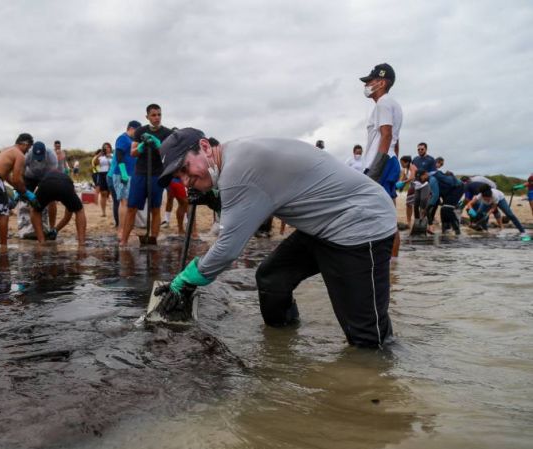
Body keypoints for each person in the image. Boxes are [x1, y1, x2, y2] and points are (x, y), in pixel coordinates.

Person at [156, 129, 398, 348]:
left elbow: (228, 249)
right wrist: (213, 198)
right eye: (179, 176)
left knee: (367, 337)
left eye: (185, 168)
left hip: (361, 224)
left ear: (205, 147)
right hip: (324, 225)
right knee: (273, 280)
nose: (185, 181)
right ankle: (283, 346)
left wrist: (185, 281)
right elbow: (256, 200)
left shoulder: (238, 170)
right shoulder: (234, 155)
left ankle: (377, 383)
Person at [361, 63, 402, 257]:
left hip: (381, 163)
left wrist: (376, 169)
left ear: (382, 82)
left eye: (371, 81)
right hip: (389, 160)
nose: (367, 85)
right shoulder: (393, 104)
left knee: (382, 217)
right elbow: (396, 139)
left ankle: (386, 264)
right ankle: (393, 265)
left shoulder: (384, 103)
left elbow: (386, 135)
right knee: (389, 217)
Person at [120, 103, 172, 246]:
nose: (157, 118)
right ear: (147, 116)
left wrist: (158, 145)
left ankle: (153, 239)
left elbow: (169, 154)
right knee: (132, 207)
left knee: (155, 208)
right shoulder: (140, 131)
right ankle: (123, 241)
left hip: (157, 174)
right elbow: (133, 152)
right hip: (141, 173)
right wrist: (142, 146)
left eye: (159, 114)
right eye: (153, 115)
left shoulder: (167, 133)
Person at [28, 169, 87, 246]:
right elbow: (68, 215)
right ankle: (81, 243)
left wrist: (55, 230)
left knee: (35, 211)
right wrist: (56, 230)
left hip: (46, 185)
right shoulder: (67, 182)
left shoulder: (45, 175)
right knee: (79, 210)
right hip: (65, 186)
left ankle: (41, 241)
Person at [112, 120, 141, 240]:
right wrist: (123, 172)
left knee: (129, 204)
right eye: (137, 131)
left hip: (131, 175)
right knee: (123, 202)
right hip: (121, 174)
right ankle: (120, 230)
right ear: (131, 128)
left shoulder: (133, 141)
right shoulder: (122, 139)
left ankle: (127, 229)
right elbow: (119, 156)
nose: (138, 134)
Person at [24, 141, 60, 230]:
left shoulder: (52, 155)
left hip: (46, 176)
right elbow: (21, 169)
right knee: (26, 200)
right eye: (37, 158)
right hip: (30, 176)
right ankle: (28, 227)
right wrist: (21, 188)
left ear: (45, 152)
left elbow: (53, 174)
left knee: (51, 200)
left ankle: (51, 227)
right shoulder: (28, 154)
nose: (39, 160)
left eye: (40, 158)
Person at [397, 155, 417, 227]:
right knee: (408, 204)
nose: (401, 164)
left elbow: (412, 177)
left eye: (402, 163)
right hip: (412, 186)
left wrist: (403, 182)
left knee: (418, 205)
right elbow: (402, 178)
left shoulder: (412, 166)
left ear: (407, 162)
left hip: (419, 186)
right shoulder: (404, 169)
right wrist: (400, 186)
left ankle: (419, 221)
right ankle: (409, 222)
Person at [95, 143, 113, 218]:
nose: (106, 149)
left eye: (108, 147)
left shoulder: (113, 155)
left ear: (110, 148)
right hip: (102, 174)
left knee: (113, 193)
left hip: (110, 174)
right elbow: (96, 163)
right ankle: (103, 212)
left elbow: (115, 164)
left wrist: (109, 157)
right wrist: (98, 156)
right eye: (105, 148)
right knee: (103, 194)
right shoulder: (100, 156)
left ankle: (114, 211)